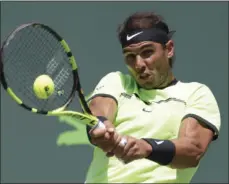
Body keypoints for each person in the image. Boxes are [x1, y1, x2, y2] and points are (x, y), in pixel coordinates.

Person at [84, 11, 221, 183]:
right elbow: (99, 112)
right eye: (130, 57)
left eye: (147, 52)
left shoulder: (196, 94)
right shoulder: (117, 81)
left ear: (169, 49)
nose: (138, 64)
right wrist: (100, 128)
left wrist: (147, 147)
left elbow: (192, 150)